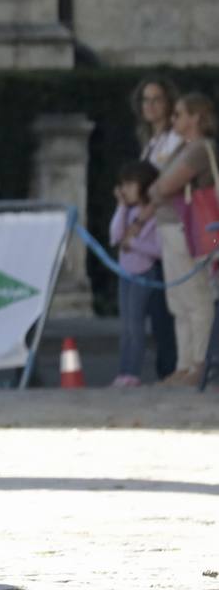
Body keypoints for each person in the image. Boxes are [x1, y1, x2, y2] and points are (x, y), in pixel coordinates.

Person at [144, 92, 218, 387]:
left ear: (195, 118)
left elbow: (165, 185)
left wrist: (158, 188)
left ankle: (199, 363)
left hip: (188, 228)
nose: (173, 119)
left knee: (196, 296)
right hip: (173, 228)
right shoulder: (184, 148)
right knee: (179, 299)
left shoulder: (200, 149)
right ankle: (184, 364)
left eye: (179, 114)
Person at [132, 76, 182, 380]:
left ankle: (175, 366)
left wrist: (140, 218)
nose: (150, 106)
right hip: (152, 231)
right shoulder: (150, 142)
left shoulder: (174, 141)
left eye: (156, 100)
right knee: (158, 305)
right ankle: (167, 366)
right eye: (145, 100)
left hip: (166, 224)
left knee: (173, 303)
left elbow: (163, 186)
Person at [109, 161, 164, 387]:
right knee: (126, 325)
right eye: (123, 184)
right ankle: (123, 371)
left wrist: (135, 245)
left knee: (136, 324)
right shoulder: (129, 211)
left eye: (130, 184)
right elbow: (115, 236)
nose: (125, 189)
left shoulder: (154, 216)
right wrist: (121, 207)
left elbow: (158, 249)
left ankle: (132, 372)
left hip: (144, 273)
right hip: (126, 273)